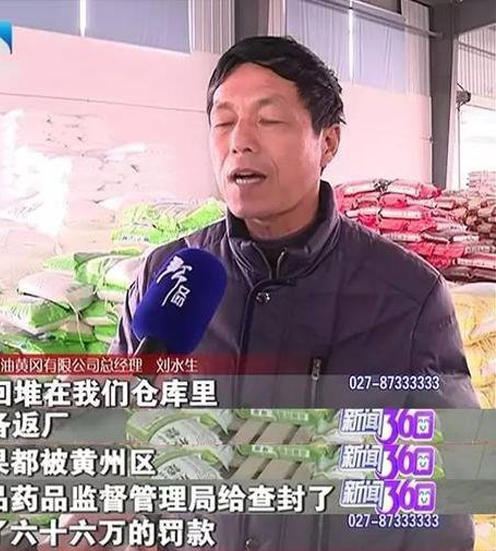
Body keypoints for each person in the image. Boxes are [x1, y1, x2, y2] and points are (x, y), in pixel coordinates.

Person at [110, 36, 479, 551]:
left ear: (327, 142)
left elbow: (437, 495)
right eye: (223, 121)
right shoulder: (168, 276)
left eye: (269, 120)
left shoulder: (406, 297)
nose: (240, 141)